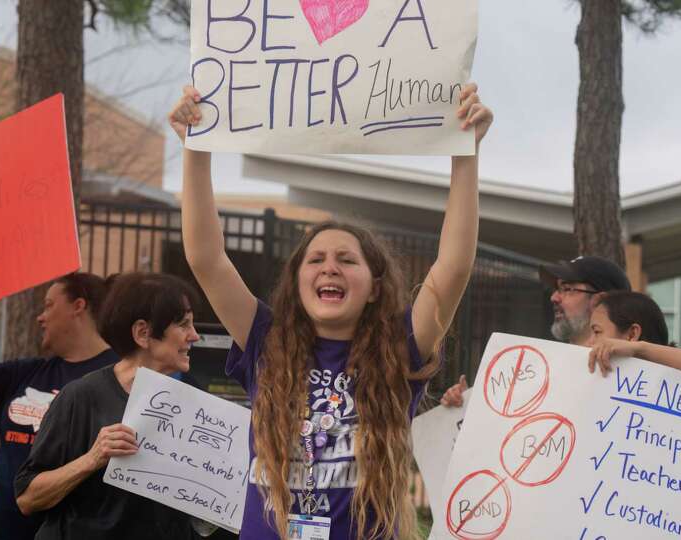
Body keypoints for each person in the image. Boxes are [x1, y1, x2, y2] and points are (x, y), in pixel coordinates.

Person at [170, 83, 492, 539]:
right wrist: (194, 147)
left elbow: (453, 267)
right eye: (316, 260)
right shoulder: (265, 337)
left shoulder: (400, 347)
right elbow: (206, 257)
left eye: (347, 260)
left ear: (375, 287)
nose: (330, 268)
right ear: (298, 280)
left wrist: (466, 153)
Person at [0, 270, 118, 540]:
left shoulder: (120, 377)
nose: (40, 316)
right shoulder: (27, 372)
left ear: (78, 306)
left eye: (49, 305)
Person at [14, 272, 204, 539]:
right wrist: (93, 459)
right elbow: (27, 498)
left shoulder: (194, 399)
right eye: (184, 325)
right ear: (143, 333)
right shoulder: (81, 397)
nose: (194, 336)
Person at [441, 255, 631, 406]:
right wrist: (466, 406)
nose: (554, 297)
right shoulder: (537, 370)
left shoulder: (632, 377)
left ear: (599, 300)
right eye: (557, 289)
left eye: (568, 289)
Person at [587, 290, 681, 383]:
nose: (590, 342)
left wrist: (639, 349)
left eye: (597, 332)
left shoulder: (674, 381)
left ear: (632, 334)